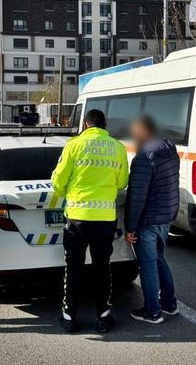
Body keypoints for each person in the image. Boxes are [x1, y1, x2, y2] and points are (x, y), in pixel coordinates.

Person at [51, 109, 129, 334]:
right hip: (105, 219)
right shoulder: (118, 148)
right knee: (102, 267)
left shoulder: (73, 145)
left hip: (77, 218)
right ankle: (103, 317)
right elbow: (122, 182)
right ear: (105, 125)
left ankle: (69, 317)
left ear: (86, 124)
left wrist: (70, 193)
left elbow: (58, 181)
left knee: (73, 268)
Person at [124, 116, 180, 324]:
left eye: (135, 130)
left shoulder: (144, 157)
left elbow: (137, 196)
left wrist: (130, 226)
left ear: (143, 130)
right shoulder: (170, 151)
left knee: (148, 265)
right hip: (166, 216)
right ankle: (169, 304)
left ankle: (152, 311)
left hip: (148, 219)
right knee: (159, 259)